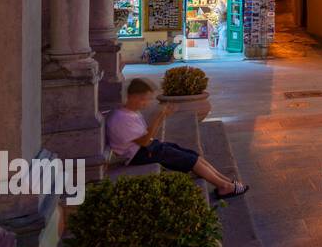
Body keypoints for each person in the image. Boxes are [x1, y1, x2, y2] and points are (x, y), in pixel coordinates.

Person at [106, 79, 247, 198]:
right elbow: (143, 141)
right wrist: (158, 118)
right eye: (145, 99)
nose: (147, 103)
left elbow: (146, 137)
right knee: (190, 160)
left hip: (147, 148)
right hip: (139, 155)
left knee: (193, 155)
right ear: (133, 97)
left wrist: (162, 116)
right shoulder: (121, 119)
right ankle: (224, 187)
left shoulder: (130, 113)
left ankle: (228, 182)